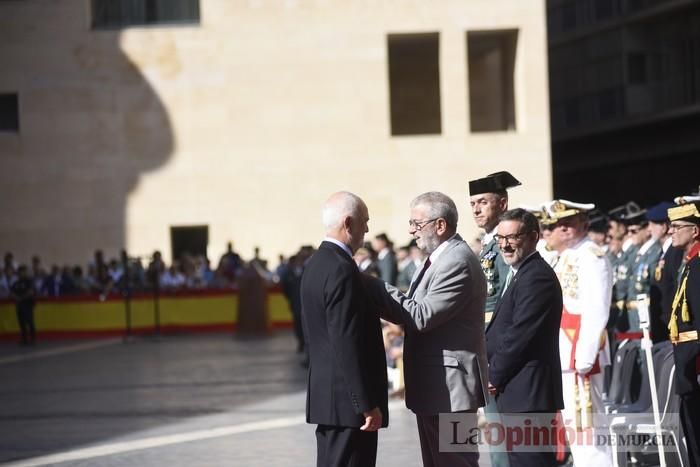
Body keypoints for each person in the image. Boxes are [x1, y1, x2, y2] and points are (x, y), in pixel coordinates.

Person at [366, 191, 488, 467]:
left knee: (457, 463)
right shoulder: (438, 258)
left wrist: (373, 285)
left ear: (440, 225)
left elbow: (422, 315)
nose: (411, 231)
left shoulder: (456, 261)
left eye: (416, 224)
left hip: (451, 390)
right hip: (437, 386)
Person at [300, 191, 388, 467]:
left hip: (327, 399)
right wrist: (365, 403)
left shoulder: (315, 264)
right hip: (349, 405)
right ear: (348, 223)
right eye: (365, 221)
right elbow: (346, 341)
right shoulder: (342, 269)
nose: (367, 229)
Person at [485, 209, 564, 466]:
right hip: (518, 391)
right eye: (500, 238)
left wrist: (493, 376)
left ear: (533, 237)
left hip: (528, 393)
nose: (505, 245)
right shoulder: (520, 273)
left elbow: (520, 334)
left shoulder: (536, 276)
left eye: (513, 237)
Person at [544, 199, 613, 467]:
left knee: (589, 425)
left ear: (584, 223)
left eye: (569, 223)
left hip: (580, 348)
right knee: (575, 425)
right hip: (563, 347)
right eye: (559, 224)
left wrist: (585, 354)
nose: (564, 229)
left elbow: (597, 307)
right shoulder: (566, 255)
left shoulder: (591, 255)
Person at [469, 171, 520, 467]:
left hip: (499, 346)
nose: (476, 209)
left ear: (502, 203)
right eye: (473, 203)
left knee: (503, 430)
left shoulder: (504, 244)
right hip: (486, 344)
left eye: (483, 202)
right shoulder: (488, 245)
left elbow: (507, 301)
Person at [665, 199, 700, 467]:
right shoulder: (689, 262)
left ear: (695, 231)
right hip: (687, 358)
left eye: (677, 226)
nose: (671, 231)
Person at [10, 265, 37, 345]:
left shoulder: (29, 281)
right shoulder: (16, 283)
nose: (21, 273)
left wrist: (21, 298)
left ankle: (33, 339)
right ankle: (24, 339)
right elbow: (12, 292)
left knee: (30, 321)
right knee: (21, 322)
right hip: (19, 305)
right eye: (20, 272)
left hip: (28, 305)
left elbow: (31, 292)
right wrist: (16, 297)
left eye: (23, 271)